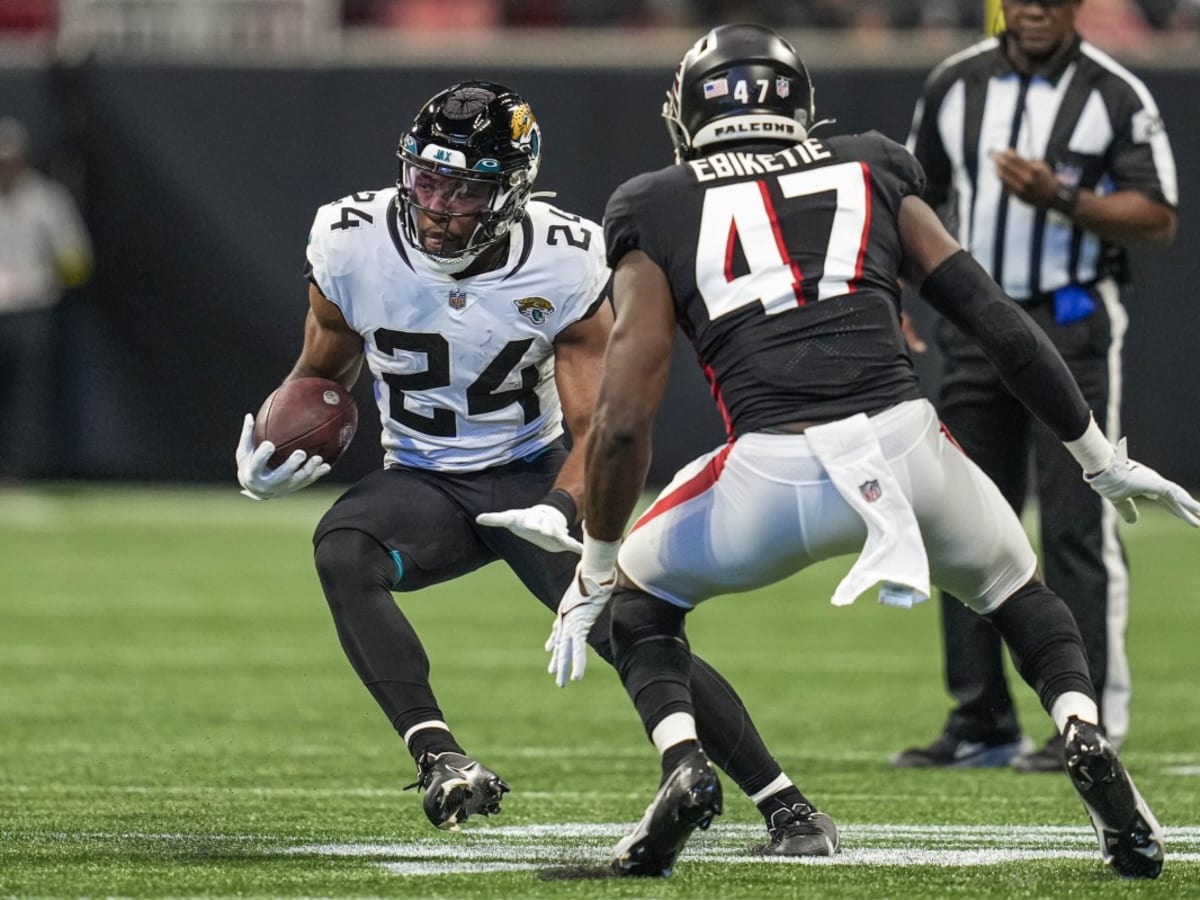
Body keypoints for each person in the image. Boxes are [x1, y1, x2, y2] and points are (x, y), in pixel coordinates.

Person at [544, 23, 1196, 879]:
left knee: (640, 602)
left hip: (768, 471)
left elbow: (625, 415)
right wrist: (1096, 456)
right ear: (801, 107)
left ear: (687, 114)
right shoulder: (869, 162)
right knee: (1017, 591)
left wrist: (595, 561)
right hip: (907, 450)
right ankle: (1080, 727)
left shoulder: (652, 200)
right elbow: (998, 323)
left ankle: (686, 767)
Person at [233, 80, 836, 853]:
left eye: (466, 189)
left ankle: (788, 807)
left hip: (531, 471)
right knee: (343, 548)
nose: (440, 205)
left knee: (629, 624)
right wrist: (273, 446)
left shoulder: (564, 259)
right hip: (421, 478)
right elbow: (324, 367)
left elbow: (601, 427)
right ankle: (439, 758)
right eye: (428, 179)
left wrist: (561, 506)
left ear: (513, 193)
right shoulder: (351, 240)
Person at [894, 0, 1178, 773]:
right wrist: (893, 293)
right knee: (963, 526)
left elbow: (1157, 216)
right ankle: (980, 718)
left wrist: (1061, 196)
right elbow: (910, 200)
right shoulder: (955, 84)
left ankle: (1088, 720)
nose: (1034, 9)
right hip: (975, 330)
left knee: (1074, 526)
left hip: (1071, 323)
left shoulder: (1115, 94)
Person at [0, 116, 93, 479]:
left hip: (31, 310)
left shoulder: (46, 200)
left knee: (27, 396)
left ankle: (20, 467)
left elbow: (77, 260)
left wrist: (41, 278)